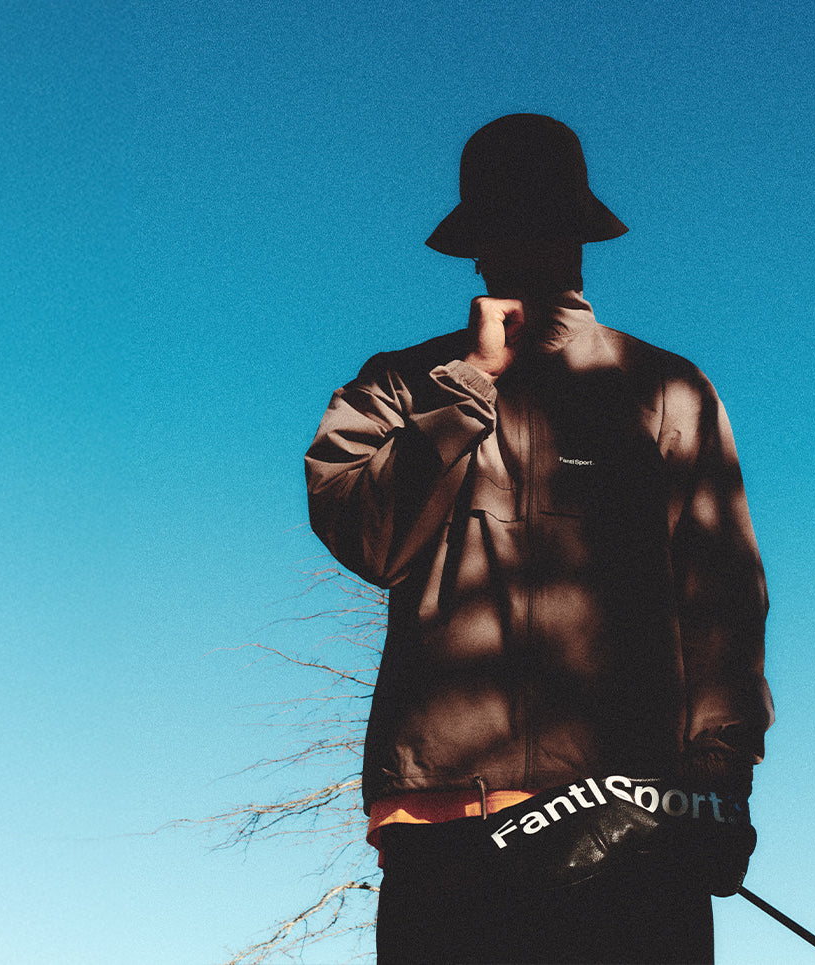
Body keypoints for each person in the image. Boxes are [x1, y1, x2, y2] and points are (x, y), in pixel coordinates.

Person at [305, 113, 772, 965]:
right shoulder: (400, 384)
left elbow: (723, 598)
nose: (525, 248)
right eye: (504, 228)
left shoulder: (668, 390)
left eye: (545, 224)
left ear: (579, 236)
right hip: (443, 826)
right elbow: (369, 540)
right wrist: (468, 385)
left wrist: (720, 779)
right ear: (476, 247)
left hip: (632, 820)